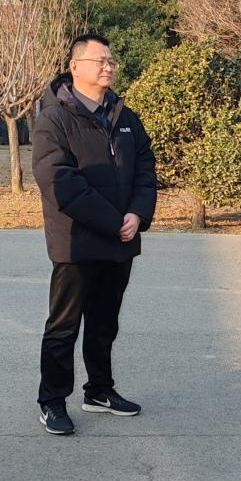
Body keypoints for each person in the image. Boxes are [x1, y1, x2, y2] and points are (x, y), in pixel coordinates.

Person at [31, 34, 157, 435]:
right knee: (64, 326)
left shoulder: (124, 116)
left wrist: (137, 213)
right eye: (100, 60)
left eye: (110, 60)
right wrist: (112, 219)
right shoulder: (54, 118)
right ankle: (52, 400)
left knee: (105, 323)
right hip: (76, 242)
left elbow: (145, 168)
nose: (108, 66)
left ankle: (99, 390)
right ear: (75, 66)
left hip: (120, 239)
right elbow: (59, 180)